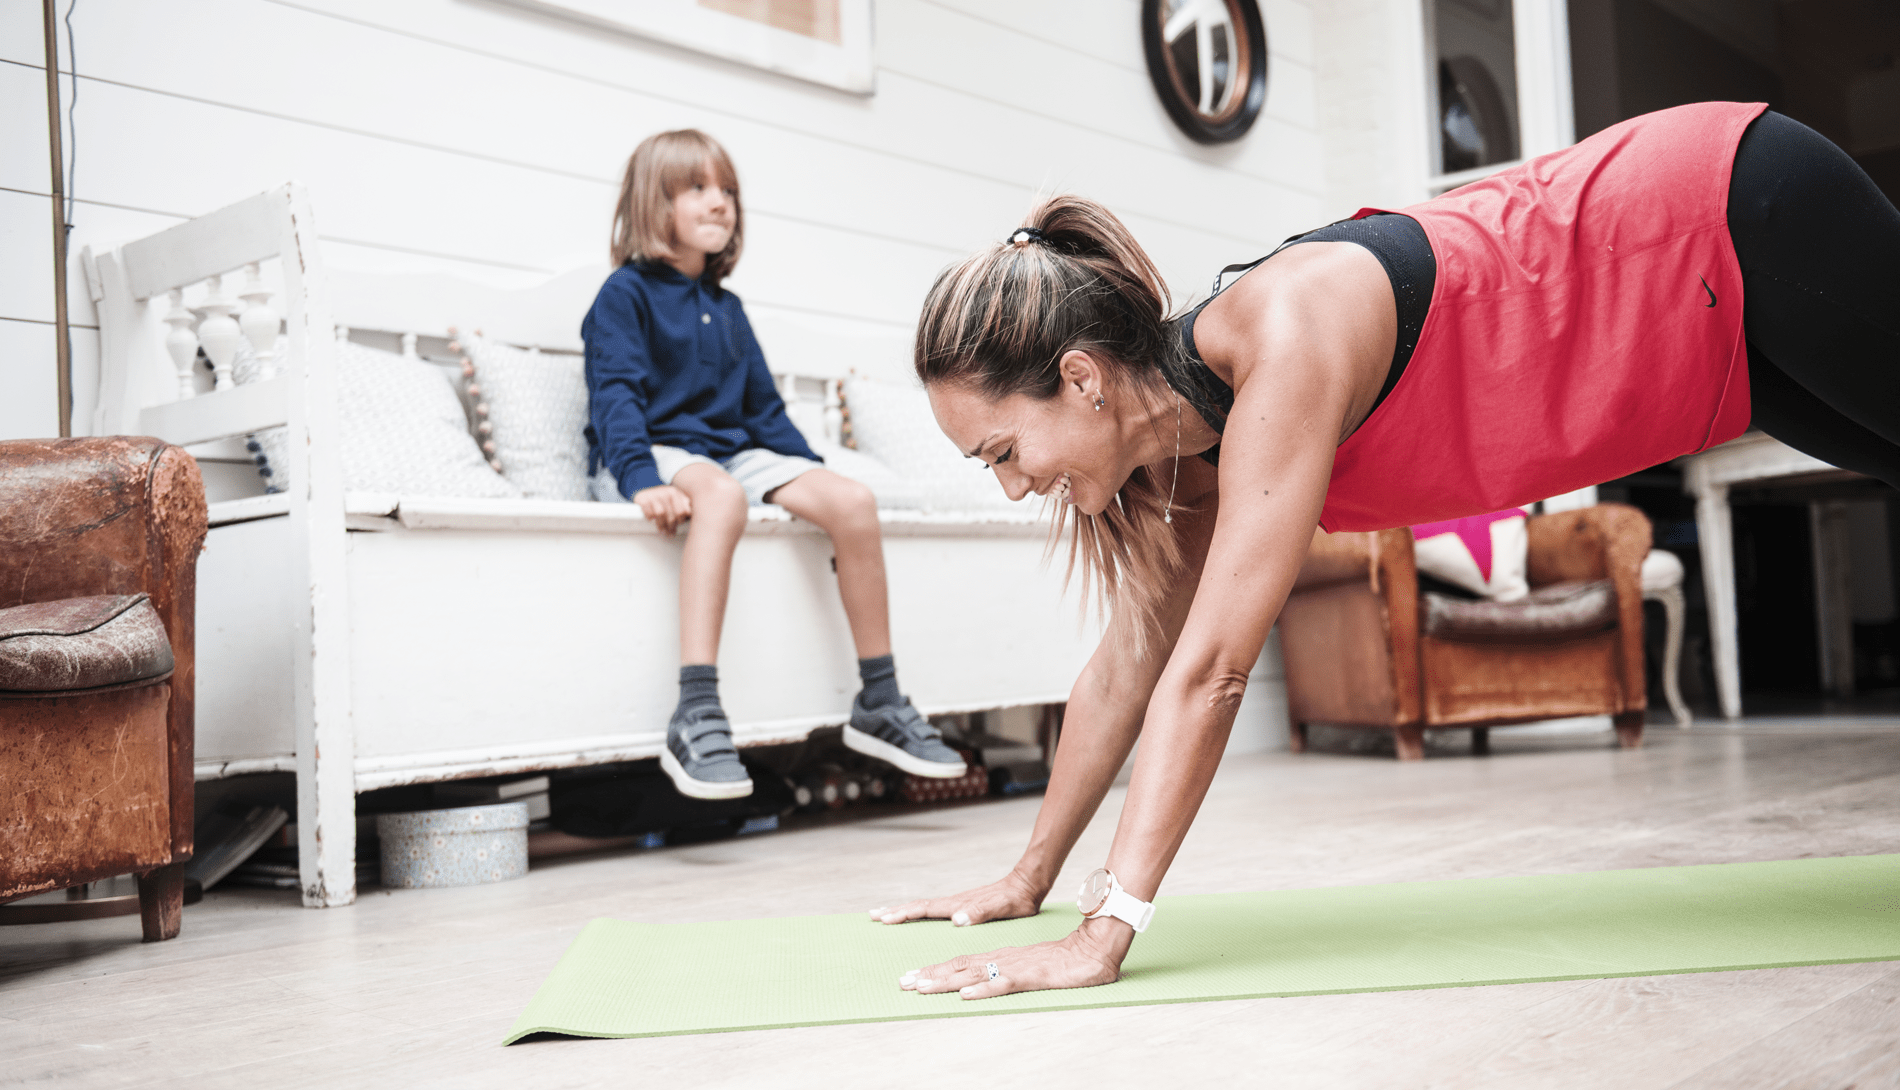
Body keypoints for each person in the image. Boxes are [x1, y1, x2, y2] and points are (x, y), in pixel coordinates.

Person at [872, 103, 1900, 1000]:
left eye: (1004, 451)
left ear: (1083, 378)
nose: (1012, 485)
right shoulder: (1187, 459)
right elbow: (1127, 669)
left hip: (1721, 214)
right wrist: (1027, 875)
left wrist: (1105, 930)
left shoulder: (1282, 335)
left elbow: (1214, 671)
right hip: (1706, 340)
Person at [582, 129, 965, 800]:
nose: (720, 202)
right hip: (657, 451)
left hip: (729, 452)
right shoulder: (625, 296)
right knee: (723, 496)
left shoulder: (728, 311)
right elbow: (615, 398)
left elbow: (763, 412)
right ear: (654, 202)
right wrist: (641, 479)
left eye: (727, 189)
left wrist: (811, 476)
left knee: (851, 500)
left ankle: (879, 698)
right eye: (698, 187)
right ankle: (695, 709)